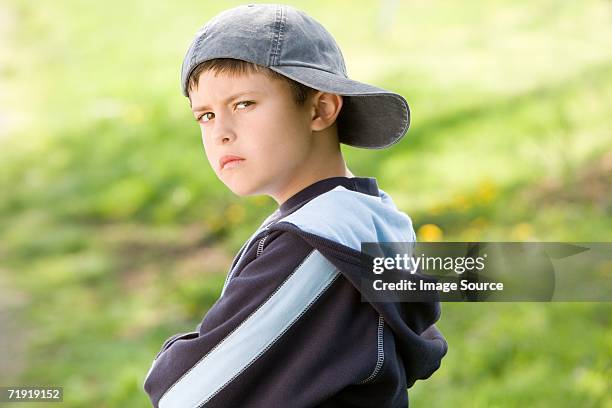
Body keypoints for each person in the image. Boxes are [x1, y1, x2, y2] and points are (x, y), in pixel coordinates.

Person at [144, 4, 447, 407]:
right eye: (205, 115)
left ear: (320, 108)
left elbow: (186, 394)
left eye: (243, 104)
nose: (221, 133)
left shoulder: (312, 247)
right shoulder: (369, 217)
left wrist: (175, 356)